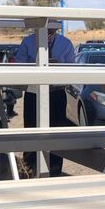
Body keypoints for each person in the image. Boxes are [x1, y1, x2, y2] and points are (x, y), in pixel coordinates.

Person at [15, 27, 75, 176]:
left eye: (51, 31)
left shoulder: (65, 43)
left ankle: (55, 169)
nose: (48, 33)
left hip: (56, 93)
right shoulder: (28, 42)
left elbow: (73, 68)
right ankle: (29, 169)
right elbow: (18, 65)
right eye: (46, 30)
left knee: (56, 130)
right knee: (31, 128)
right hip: (33, 93)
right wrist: (35, 65)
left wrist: (57, 66)